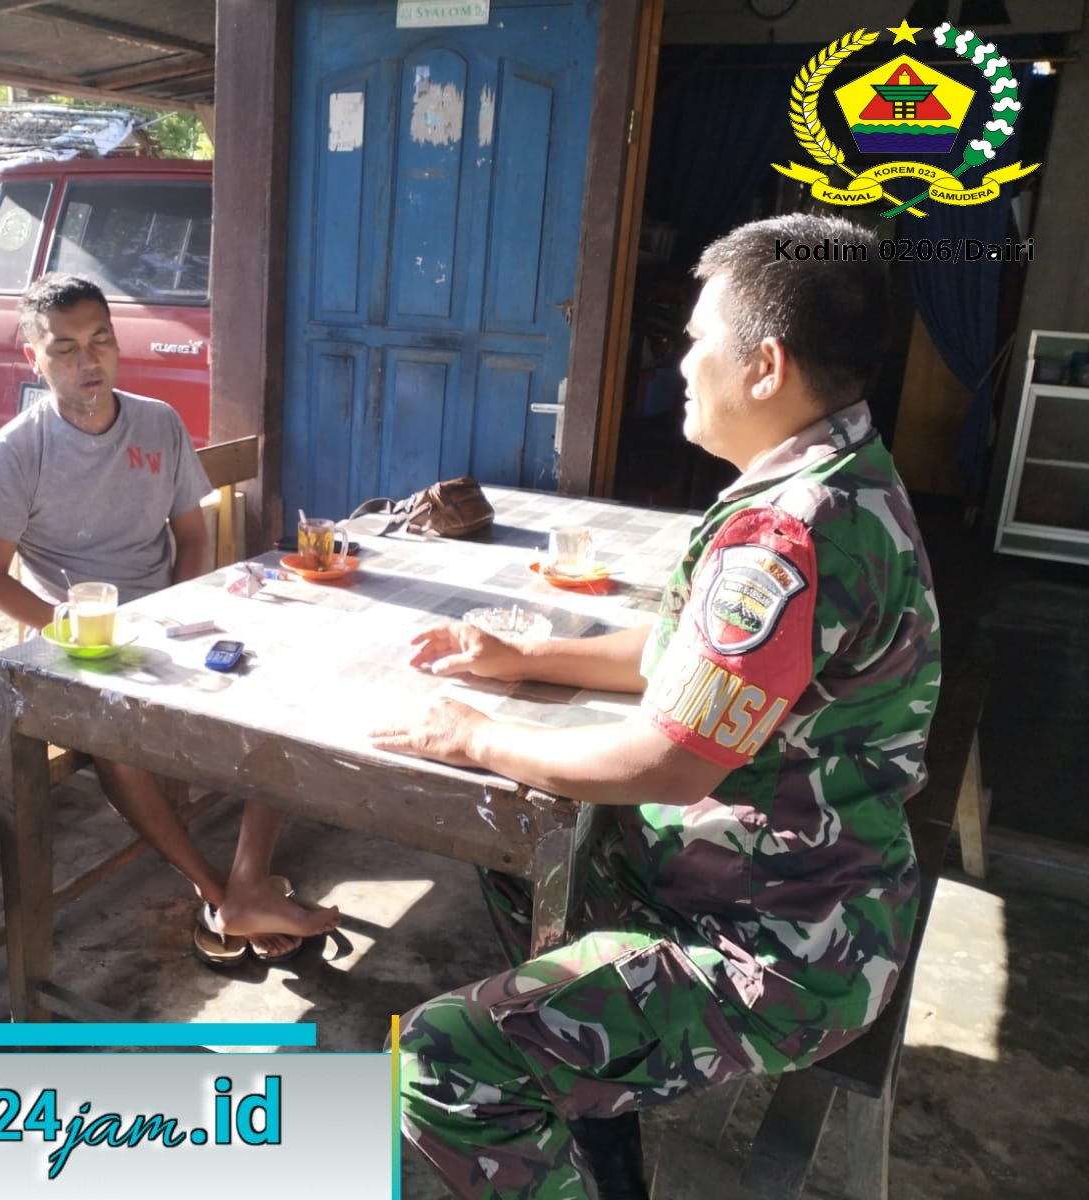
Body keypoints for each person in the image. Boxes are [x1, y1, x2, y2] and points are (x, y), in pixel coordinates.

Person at [370, 213, 941, 1199]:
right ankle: (591, 1106)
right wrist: (528, 656)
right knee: (514, 849)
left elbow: (672, 762)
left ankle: (551, 1083)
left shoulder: (788, 532)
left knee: (440, 1060)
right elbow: (697, 658)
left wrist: (477, 734)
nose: (679, 363)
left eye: (695, 339)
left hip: (783, 948)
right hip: (800, 889)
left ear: (764, 365)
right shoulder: (838, 475)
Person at [0, 273, 338, 965]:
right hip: (78, 644)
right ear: (33, 357)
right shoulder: (17, 451)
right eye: (65, 348)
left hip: (167, 621)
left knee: (286, 696)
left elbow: (190, 535)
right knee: (114, 742)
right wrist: (64, 627)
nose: (88, 360)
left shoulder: (157, 422)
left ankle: (249, 879)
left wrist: (181, 608)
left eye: (100, 340)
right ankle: (214, 890)